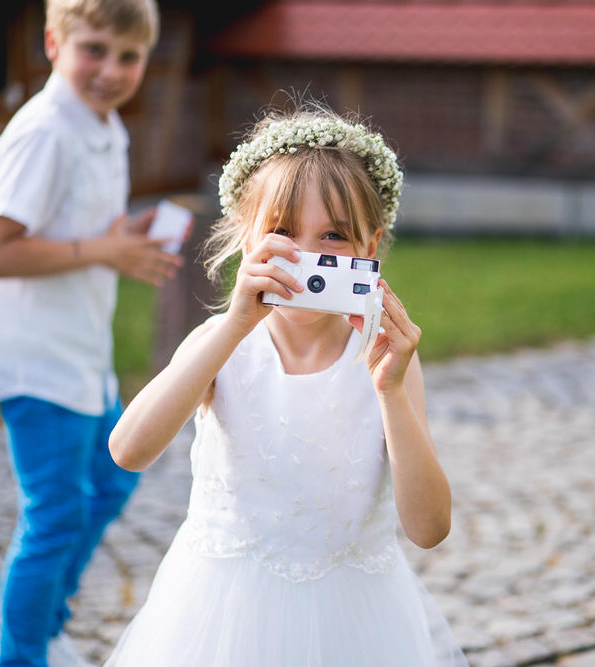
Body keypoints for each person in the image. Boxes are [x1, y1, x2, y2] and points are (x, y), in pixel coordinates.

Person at [104, 105, 468, 666]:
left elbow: (428, 528)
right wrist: (232, 325)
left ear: (369, 249)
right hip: (221, 610)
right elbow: (128, 450)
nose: (305, 257)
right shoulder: (222, 343)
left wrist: (391, 391)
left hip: (355, 620)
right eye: (280, 232)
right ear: (247, 241)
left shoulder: (385, 361)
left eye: (333, 236)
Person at [0, 1, 182, 665]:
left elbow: (75, 228)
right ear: (53, 43)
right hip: (36, 359)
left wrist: (121, 237)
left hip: (83, 352)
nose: (110, 70)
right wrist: (102, 250)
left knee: (113, 480)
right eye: (94, 49)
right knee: (53, 519)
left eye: (128, 56)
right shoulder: (45, 132)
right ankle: (20, 653)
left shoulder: (101, 123)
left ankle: (45, 617)